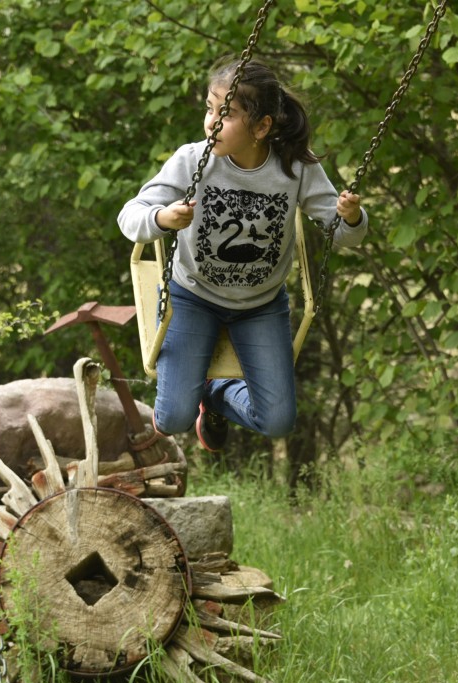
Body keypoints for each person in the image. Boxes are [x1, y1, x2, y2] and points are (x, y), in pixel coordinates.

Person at [118, 58, 368, 451]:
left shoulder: (295, 169)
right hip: (193, 296)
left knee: (278, 421)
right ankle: (196, 397)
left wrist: (351, 218)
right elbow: (129, 216)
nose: (211, 122)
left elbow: (344, 236)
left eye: (227, 114)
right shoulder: (192, 160)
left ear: (262, 126)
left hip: (261, 305)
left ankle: (216, 394)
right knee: (172, 419)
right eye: (209, 108)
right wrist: (163, 218)